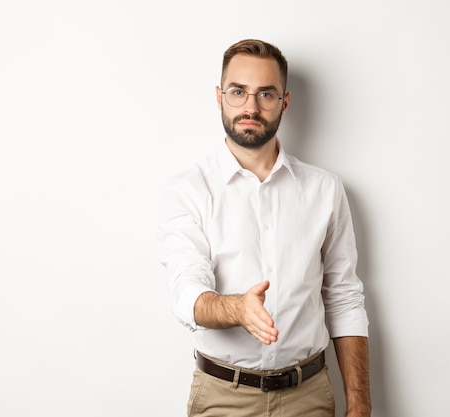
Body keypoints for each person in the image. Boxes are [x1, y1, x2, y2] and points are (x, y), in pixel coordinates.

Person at [157, 39, 371, 417]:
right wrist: (237, 308)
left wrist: (359, 403)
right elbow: (186, 292)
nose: (250, 108)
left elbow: (343, 296)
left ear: (284, 102)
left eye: (266, 94)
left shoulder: (325, 189)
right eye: (238, 92)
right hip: (224, 397)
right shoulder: (188, 189)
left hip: (310, 396)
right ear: (220, 96)